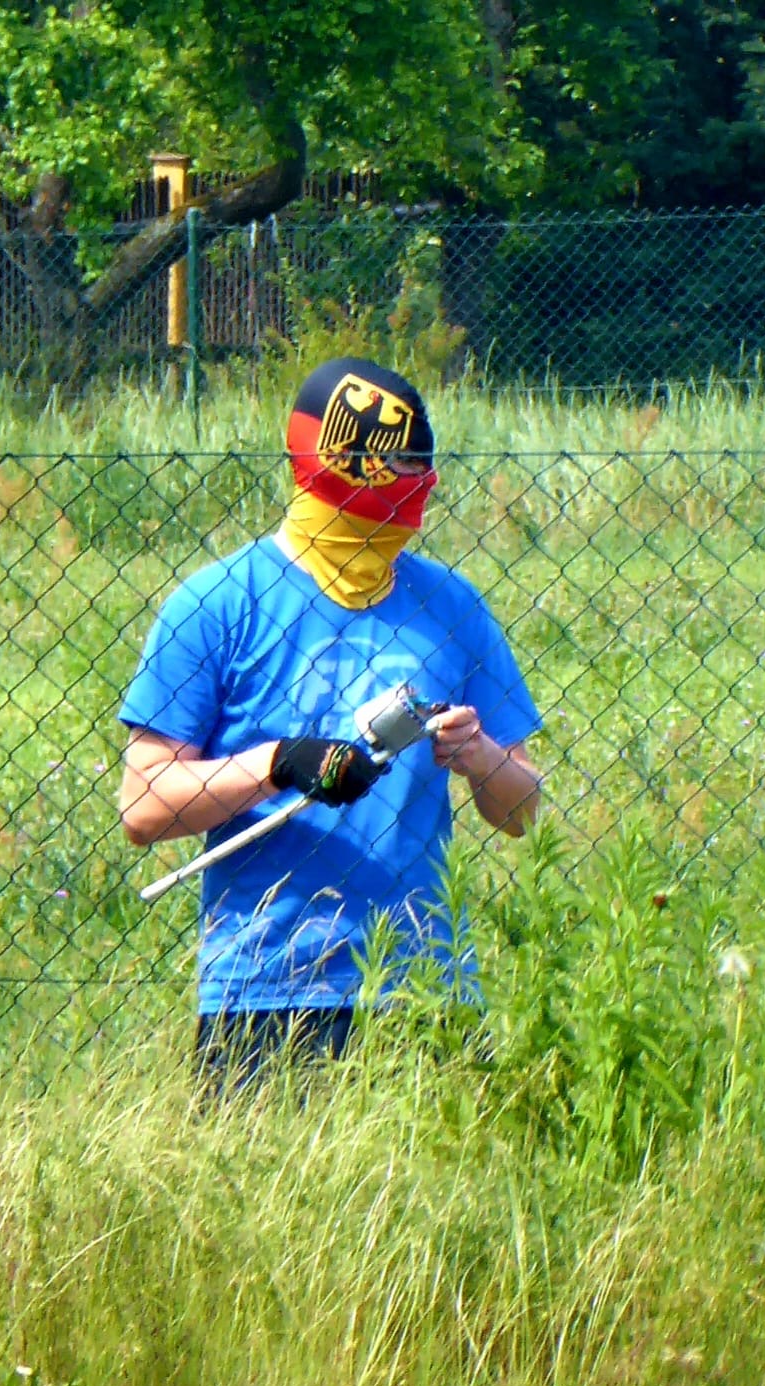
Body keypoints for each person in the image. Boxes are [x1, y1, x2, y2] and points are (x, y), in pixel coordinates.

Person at [118, 357, 543, 1084]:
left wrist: (480, 756)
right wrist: (278, 764)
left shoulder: (453, 605)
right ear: (339, 461)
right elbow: (143, 807)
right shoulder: (216, 605)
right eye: (401, 467)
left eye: (423, 466)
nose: (423, 485)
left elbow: (522, 811)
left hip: (425, 982)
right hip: (265, 987)